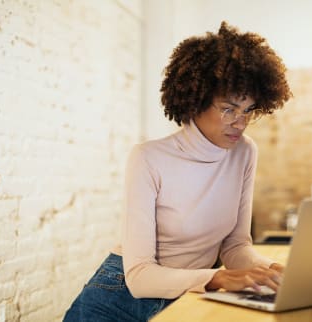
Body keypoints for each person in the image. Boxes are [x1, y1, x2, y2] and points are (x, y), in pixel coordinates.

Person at [63, 21, 292, 322]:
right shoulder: (148, 158)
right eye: (229, 109)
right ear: (195, 101)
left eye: (248, 110)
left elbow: (236, 246)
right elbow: (140, 276)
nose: (240, 122)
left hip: (184, 295)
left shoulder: (244, 152)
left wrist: (273, 273)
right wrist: (217, 278)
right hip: (118, 297)